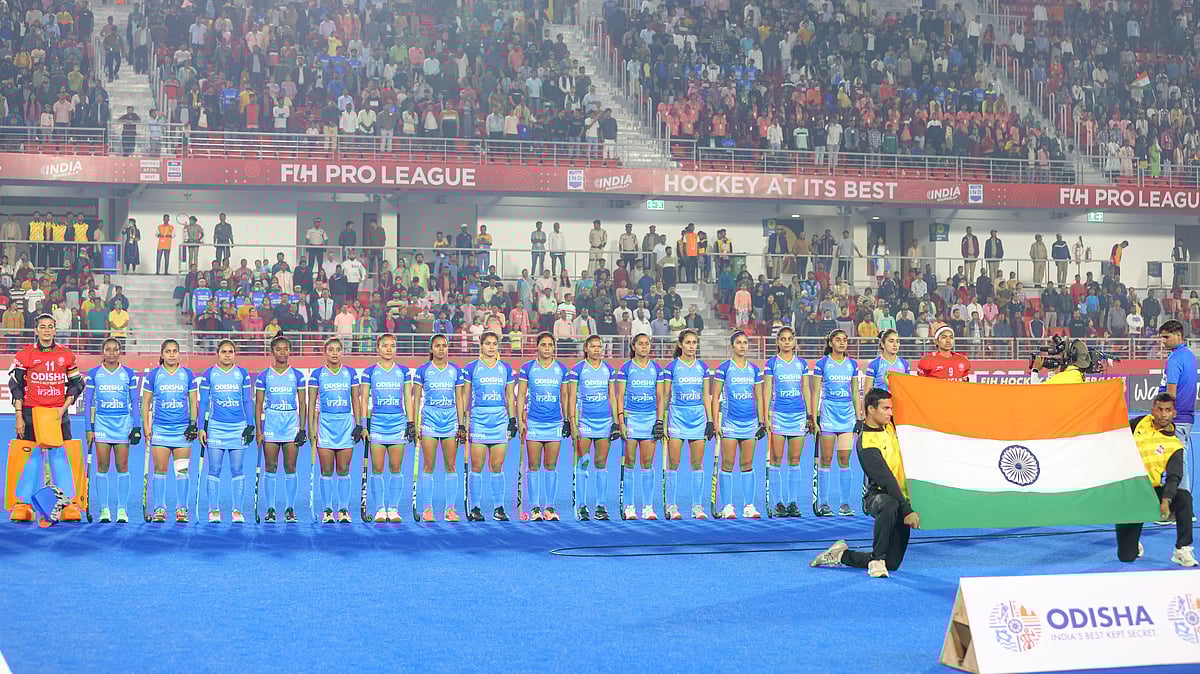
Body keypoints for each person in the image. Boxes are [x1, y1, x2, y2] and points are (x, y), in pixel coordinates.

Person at [811, 388, 920, 578]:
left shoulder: (890, 426)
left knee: (892, 564)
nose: (890, 413)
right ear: (871, 409)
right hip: (878, 496)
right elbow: (886, 480)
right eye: (885, 409)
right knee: (889, 504)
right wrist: (907, 510)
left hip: (903, 496)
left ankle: (841, 555)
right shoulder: (866, 442)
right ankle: (876, 560)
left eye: (891, 408)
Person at [7, 315, 87, 523]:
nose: (46, 331)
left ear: (54, 330)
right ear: (36, 330)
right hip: (30, 413)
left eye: (50, 327)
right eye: (42, 327)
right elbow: (15, 385)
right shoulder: (25, 354)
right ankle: (24, 504)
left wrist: (63, 409)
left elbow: (77, 383)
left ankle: (69, 503)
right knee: (30, 458)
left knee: (61, 457)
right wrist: (18, 415)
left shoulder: (66, 354)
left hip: (58, 414)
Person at [1119, 393, 1196, 566]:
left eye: (1168, 410)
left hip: (1152, 492)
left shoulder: (1175, 445)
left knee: (1184, 498)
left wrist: (1166, 500)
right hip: (1130, 491)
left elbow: (1174, 477)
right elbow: (1118, 431)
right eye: (1159, 409)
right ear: (1153, 410)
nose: (1163, 414)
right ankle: (1132, 543)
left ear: (1174, 413)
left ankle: (1182, 549)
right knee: (1126, 555)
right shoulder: (1141, 422)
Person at [197, 340, 255, 524]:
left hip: (238, 427)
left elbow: (247, 401)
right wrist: (201, 428)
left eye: (230, 351)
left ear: (235, 354)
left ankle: (237, 511)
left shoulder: (242, 373)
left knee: (237, 469)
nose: (227, 354)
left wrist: (250, 425)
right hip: (216, 427)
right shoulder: (209, 374)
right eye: (224, 351)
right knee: (214, 469)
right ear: (218, 353)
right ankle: (213, 510)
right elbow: (204, 403)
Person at [84, 338, 141, 523]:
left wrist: (136, 426)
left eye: (115, 349)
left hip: (123, 424)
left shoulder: (129, 374)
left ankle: (122, 510)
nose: (111, 352)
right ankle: (104, 510)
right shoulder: (94, 374)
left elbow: (134, 402)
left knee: (122, 467)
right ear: (103, 351)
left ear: (119, 351)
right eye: (108, 349)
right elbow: (88, 403)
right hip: (102, 424)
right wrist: (88, 428)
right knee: (102, 466)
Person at [307, 338, 364, 524]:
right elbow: (312, 404)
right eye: (330, 349)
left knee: (343, 468)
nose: (334, 353)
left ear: (342, 352)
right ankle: (327, 510)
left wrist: (359, 424)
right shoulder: (317, 374)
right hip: (325, 426)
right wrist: (311, 427)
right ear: (325, 352)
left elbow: (356, 400)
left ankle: (344, 509)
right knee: (327, 469)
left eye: (338, 349)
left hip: (346, 426)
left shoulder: (350, 373)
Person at [142, 339, 199, 523]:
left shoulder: (188, 375)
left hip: (182, 430)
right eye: (168, 351)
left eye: (175, 351)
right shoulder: (153, 375)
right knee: (160, 470)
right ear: (162, 354)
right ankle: (159, 508)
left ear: (179, 353)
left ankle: (182, 509)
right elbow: (145, 403)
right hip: (160, 429)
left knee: (182, 471)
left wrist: (193, 423)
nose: (172, 354)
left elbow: (192, 402)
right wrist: (146, 426)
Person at [711, 332, 766, 520]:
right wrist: (715, 422)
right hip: (730, 423)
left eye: (745, 343)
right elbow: (715, 397)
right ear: (732, 346)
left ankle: (749, 506)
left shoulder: (754, 370)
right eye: (738, 343)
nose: (742, 346)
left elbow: (759, 397)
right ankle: (727, 506)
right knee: (727, 464)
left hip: (750, 422)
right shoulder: (724, 368)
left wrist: (762, 421)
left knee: (747, 464)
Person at [463, 331, 517, 521]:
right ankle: (475, 507)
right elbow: (465, 396)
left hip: (499, 420)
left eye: (494, 343)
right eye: (488, 343)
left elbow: (510, 396)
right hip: (479, 420)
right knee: (477, 465)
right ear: (481, 345)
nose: (491, 347)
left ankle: (498, 508)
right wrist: (463, 422)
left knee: (497, 465)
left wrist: (513, 419)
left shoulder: (506, 368)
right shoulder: (472, 368)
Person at [362, 334, 416, 522]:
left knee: (395, 466)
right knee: (377, 467)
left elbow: (408, 398)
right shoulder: (370, 372)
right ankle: (379, 509)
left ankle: (393, 509)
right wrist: (363, 425)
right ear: (378, 348)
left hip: (397, 423)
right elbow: (364, 400)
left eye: (392, 346)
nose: (389, 349)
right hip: (377, 423)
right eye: (385, 346)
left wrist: (411, 423)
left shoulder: (403, 371)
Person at [517, 333, 570, 522]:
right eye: (543, 345)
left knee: (550, 465)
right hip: (534, 422)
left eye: (550, 345)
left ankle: (549, 507)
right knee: (533, 465)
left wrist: (567, 420)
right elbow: (521, 395)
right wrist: (520, 420)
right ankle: (534, 508)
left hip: (554, 422)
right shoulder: (528, 368)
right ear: (537, 347)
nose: (547, 348)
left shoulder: (561, 369)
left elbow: (564, 395)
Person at [254, 335, 307, 523]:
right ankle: (270, 509)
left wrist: (302, 428)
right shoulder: (264, 376)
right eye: (278, 349)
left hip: (291, 426)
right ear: (272, 351)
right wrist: (259, 432)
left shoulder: (298, 376)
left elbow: (302, 402)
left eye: (286, 348)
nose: (282, 352)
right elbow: (258, 405)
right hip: (271, 427)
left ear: (290, 350)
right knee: (271, 466)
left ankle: (290, 509)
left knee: (290, 467)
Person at [660, 329, 712, 520]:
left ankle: (697, 506)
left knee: (697, 463)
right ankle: (671, 506)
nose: (691, 346)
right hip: (677, 418)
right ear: (680, 345)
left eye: (694, 343)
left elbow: (706, 395)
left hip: (698, 419)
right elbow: (665, 396)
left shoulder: (703, 367)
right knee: (673, 462)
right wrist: (662, 421)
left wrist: (710, 420)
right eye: (688, 343)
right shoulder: (672, 367)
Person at [413, 335, 466, 522]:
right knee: (428, 466)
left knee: (450, 465)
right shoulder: (423, 370)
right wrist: (413, 423)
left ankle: (450, 509)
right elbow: (416, 398)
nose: (441, 349)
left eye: (444, 346)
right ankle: (427, 509)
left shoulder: (455, 371)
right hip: (429, 420)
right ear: (431, 349)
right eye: (437, 346)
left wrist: (461, 424)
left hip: (450, 420)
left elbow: (459, 398)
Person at [568, 334, 620, 520]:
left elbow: (612, 396)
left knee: (601, 464)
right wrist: (572, 423)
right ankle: (581, 506)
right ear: (586, 349)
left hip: (604, 422)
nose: (597, 350)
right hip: (584, 422)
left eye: (599, 346)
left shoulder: (609, 369)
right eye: (593, 346)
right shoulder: (577, 370)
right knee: (583, 463)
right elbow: (571, 397)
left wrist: (616, 422)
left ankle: (600, 506)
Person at [813, 329, 863, 517]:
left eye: (844, 340)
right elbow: (816, 392)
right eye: (838, 340)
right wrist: (814, 417)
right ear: (831, 342)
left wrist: (859, 417)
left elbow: (855, 393)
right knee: (826, 460)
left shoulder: (852, 364)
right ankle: (824, 503)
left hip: (847, 417)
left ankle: (844, 504)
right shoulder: (822, 364)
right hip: (828, 415)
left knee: (844, 460)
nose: (842, 343)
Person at [764, 326, 813, 518]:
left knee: (794, 460)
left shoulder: (801, 363)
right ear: (778, 342)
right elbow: (767, 390)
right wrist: (766, 416)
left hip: (798, 415)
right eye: (782, 339)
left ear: (794, 342)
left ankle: (793, 502)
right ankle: (778, 503)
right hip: (778, 415)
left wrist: (810, 414)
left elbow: (806, 389)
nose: (786, 342)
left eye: (789, 339)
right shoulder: (771, 363)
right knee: (776, 459)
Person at [617, 333, 665, 520]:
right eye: (641, 344)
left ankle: (647, 507)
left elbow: (660, 397)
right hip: (631, 419)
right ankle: (629, 506)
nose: (644, 347)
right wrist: (621, 421)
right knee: (629, 462)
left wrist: (659, 421)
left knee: (647, 463)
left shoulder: (656, 369)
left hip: (649, 420)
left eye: (647, 344)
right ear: (633, 346)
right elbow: (620, 396)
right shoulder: (626, 368)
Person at [1159, 320, 1197, 492]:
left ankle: (1180, 508)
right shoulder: (1190, 356)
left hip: (1176, 419)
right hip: (1187, 417)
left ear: (1179, 336)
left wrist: (1164, 419)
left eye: (1166, 337)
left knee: (1175, 464)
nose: (1163, 341)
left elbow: (1171, 394)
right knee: (1179, 461)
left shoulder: (1174, 360)